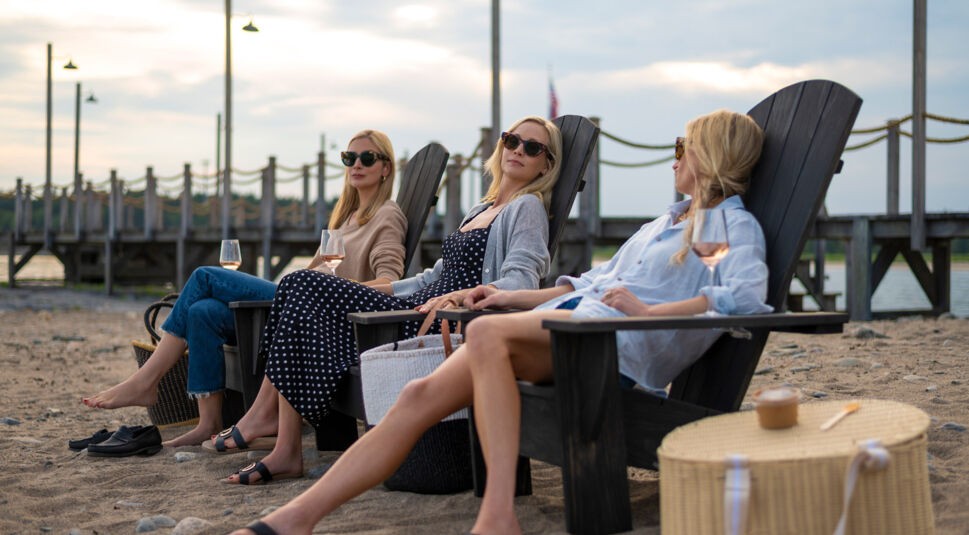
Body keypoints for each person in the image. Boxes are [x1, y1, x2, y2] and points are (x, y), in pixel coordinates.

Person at [228, 109, 775, 534]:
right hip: (568, 323)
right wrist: (505, 296)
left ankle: (496, 517)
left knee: (484, 332)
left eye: (683, 147)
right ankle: (296, 518)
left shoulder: (733, 225)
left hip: (604, 348)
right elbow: (583, 284)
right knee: (418, 396)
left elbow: (747, 298)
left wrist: (651, 311)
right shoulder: (665, 222)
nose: (674, 157)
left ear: (710, 156)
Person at [211, 116, 562, 488]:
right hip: (411, 307)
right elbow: (432, 277)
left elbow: (522, 278)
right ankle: (283, 442)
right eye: (512, 140)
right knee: (298, 288)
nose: (519, 151)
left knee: (300, 284)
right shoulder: (480, 209)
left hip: (434, 322)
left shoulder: (528, 209)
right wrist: (378, 290)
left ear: (547, 164)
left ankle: (280, 440)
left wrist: (467, 295)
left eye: (533, 148)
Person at [82, 129, 408, 447]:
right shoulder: (346, 219)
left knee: (204, 277)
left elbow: (390, 281)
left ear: (386, 168)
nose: (357, 164)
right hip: (295, 305)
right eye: (349, 157)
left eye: (367, 157)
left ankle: (146, 381)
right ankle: (208, 422)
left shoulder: (387, 215)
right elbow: (310, 273)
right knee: (202, 311)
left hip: (321, 314)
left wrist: (339, 290)